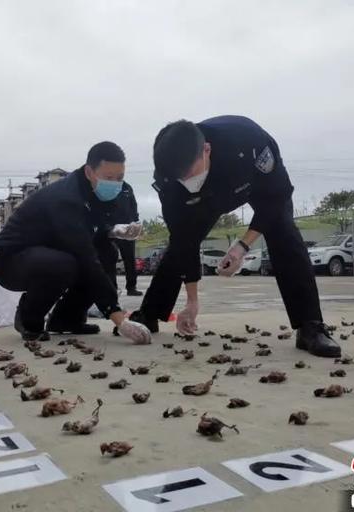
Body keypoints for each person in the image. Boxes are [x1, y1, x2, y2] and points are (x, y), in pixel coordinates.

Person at [130, 116, 341, 358]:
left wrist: (242, 246)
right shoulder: (169, 176)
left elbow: (277, 197)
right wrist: (192, 302)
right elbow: (182, 238)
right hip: (207, 200)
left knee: (284, 233)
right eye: (182, 179)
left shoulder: (250, 144)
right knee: (180, 243)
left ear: (206, 150)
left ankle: (310, 326)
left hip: (255, 184)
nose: (188, 183)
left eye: (191, 174)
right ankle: (150, 313)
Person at [0, 141, 150, 345]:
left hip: (49, 251)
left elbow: (92, 233)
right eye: (108, 178)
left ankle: (66, 319)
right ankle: (29, 318)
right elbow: (85, 256)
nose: (115, 184)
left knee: (107, 253)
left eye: (119, 178)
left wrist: (113, 230)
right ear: (89, 172)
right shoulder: (66, 198)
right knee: (67, 264)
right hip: (11, 260)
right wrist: (118, 317)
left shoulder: (94, 193)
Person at [111, 182, 143, 296]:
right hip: (112, 230)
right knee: (110, 259)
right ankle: (112, 288)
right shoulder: (107, 187)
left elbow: (133, 205)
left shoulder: (127, 187)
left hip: (128, 230)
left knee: (130, 259)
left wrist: (136, 222)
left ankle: (131, 287)